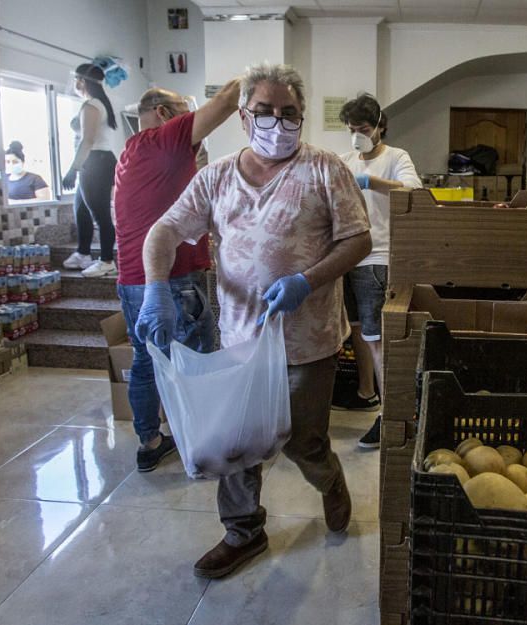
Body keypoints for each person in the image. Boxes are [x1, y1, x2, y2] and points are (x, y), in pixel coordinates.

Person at [136, 62, 371, 579]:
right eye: (265, 112)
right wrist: (156, 292)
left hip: (308, 342)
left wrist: (306, 281)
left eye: (290, 113)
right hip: (242, 339)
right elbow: (164, 232)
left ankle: (329, 480)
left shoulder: (325, 169)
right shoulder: (217, 176)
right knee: (238, 444)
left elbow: (359, 240)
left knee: (303, 443)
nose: (277, 122)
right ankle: (243, 532)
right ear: (243, 117)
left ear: (302, 117)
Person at [113, 80, 241, 472]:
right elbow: (225, 102)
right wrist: (259, 75)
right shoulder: (162, 138)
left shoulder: (131, 152)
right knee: (195, 359)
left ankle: (150, 443)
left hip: (133, 279)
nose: (191, 120)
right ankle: (201, 446)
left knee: (145, 359)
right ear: (166, 115)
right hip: (174, 277)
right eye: (185, 111)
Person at [336, 93, 422, 449]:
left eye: (364, 128)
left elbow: (414, 192)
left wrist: (371, 182)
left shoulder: (395, 157)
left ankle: (392, 419)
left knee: (379, 343)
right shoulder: (344, 160)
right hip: (346, 258)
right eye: (352, 129)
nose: (358, 135)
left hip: (378, 260)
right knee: (357, 333)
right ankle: (367, 392)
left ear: (380, 126)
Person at [61, 63, 118, 278]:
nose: (75, 83)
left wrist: (73, 169)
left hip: (95, 161)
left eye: (76, 79)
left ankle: (106, 261)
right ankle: (83, 253)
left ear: (82, 81)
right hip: (97, 160)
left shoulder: (92, 105)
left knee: (100, 214)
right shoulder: (97, 103)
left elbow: (88, 140)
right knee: (81, 209)